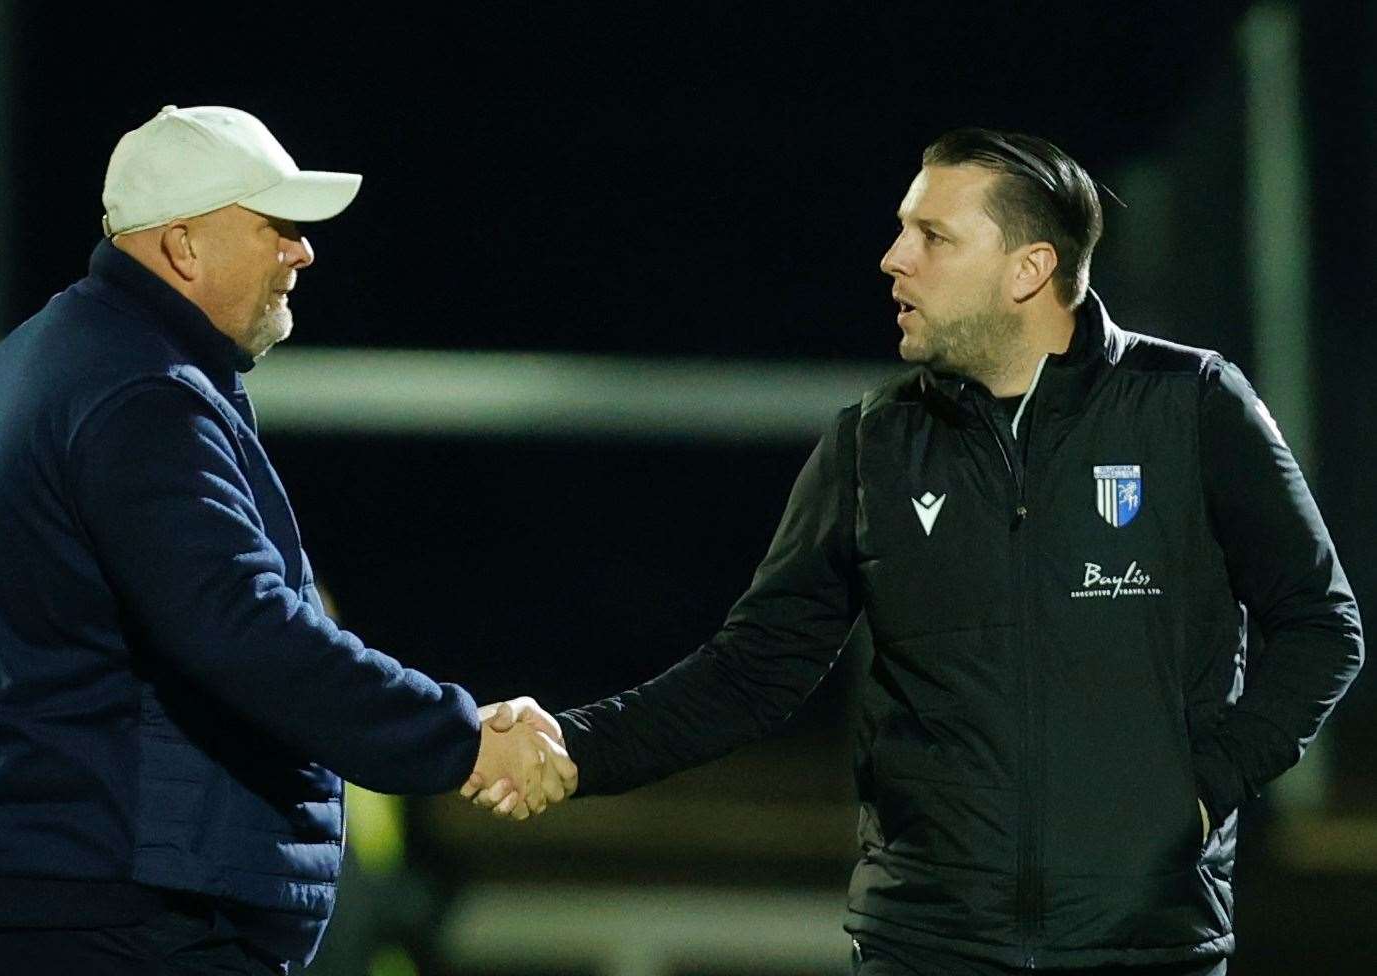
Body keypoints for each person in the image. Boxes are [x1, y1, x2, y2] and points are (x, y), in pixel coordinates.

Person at [465, 128, 1364, 974]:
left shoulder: (1193, 406)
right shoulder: (873, 447)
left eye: (932, 235)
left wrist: (1197, 794)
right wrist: (576, 749)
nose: (895, 260)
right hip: (927, 944)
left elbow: (1324, 627)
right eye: (903, 232)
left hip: (1144, 945)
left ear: (1030, 269)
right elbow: (751, 672)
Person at [0, 104, 573, 976]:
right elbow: (245, 628)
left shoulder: (56, 356)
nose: (302, 252)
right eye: (275, 227)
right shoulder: (142, 395)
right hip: (106, 905)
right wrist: (461, 737)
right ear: (183, 248)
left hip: (31, 882)